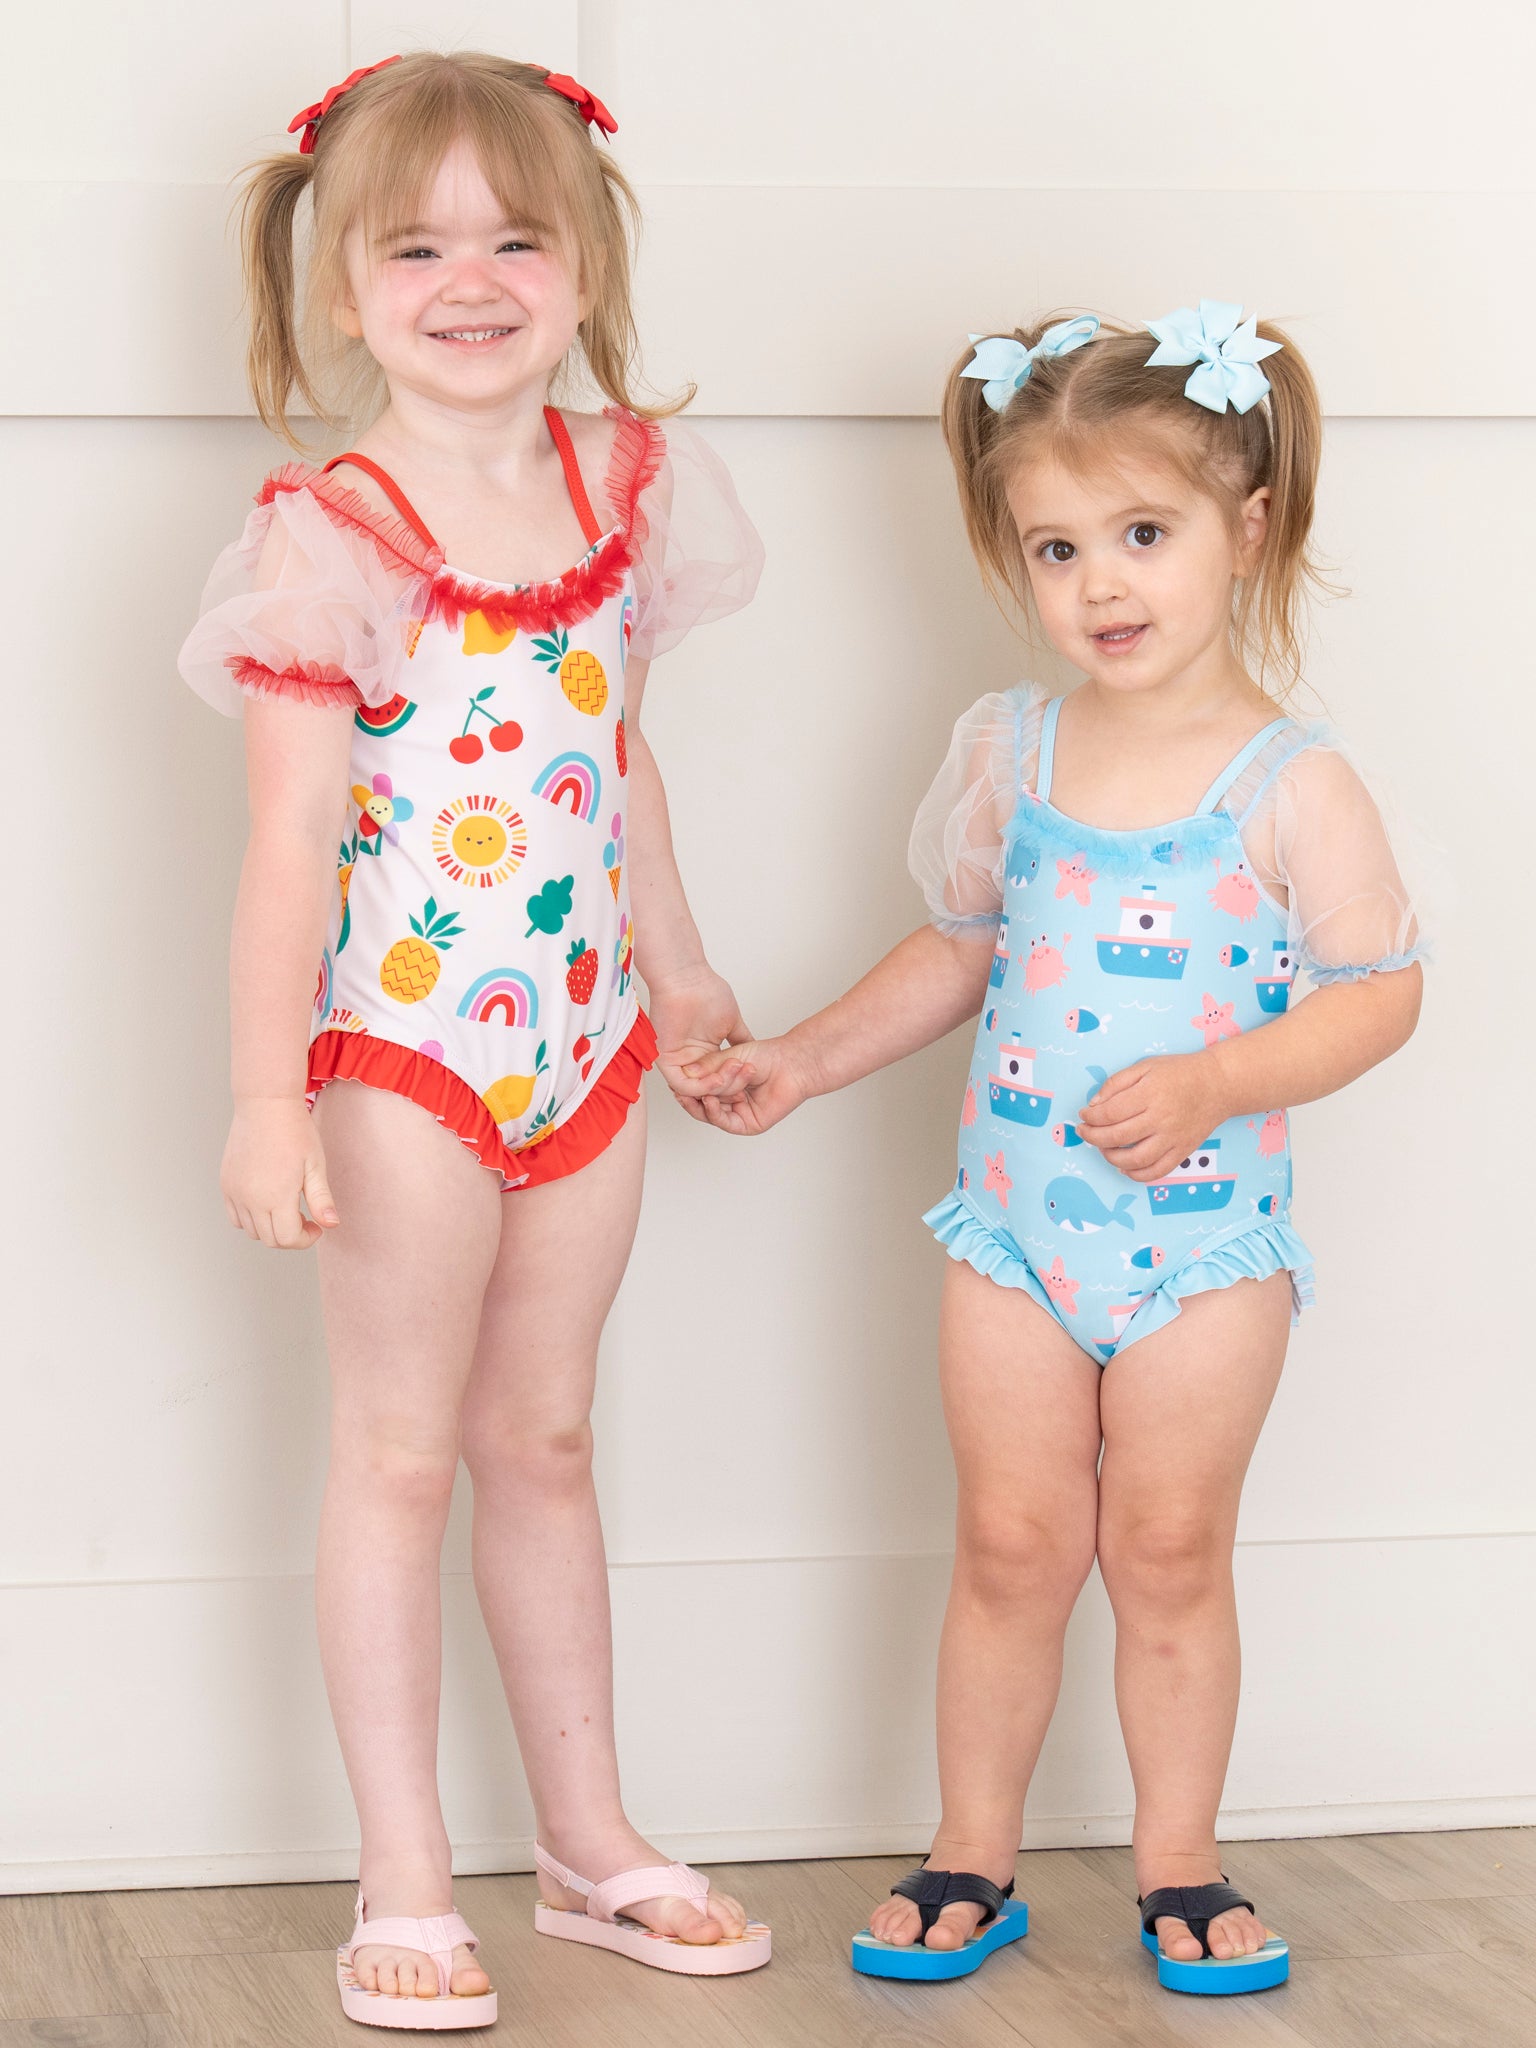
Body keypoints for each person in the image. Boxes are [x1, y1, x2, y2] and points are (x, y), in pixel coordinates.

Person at [683, 303, 1423, 1995]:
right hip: (1012, 1238)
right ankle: (972, 1851)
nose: (1102, 584)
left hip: (1202, 1253)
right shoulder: (1010, 750)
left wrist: (1220, 1078)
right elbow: (958, 951)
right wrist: (799, 1061)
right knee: (1011, 1547)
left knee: (1168, 1554)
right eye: (1058, 547)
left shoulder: (1291, 783)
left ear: (1247, 529)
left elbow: (1382, 994)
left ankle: (1180, 1865)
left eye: (1144, 535)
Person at [178, 49, 770, 2030]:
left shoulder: (624, 487)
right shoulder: (333, 529)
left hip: (586, 1047)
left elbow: (622, 759)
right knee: (402, 1450)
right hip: (406, 1056)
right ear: (344, 290)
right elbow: (288, 840)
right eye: (415, 248)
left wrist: (682, 970)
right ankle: (406, 1870)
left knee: (547, 1438)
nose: (472, 281)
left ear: (586, 266)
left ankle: (588, 1840)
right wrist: (265, 1097)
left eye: (519, 239)